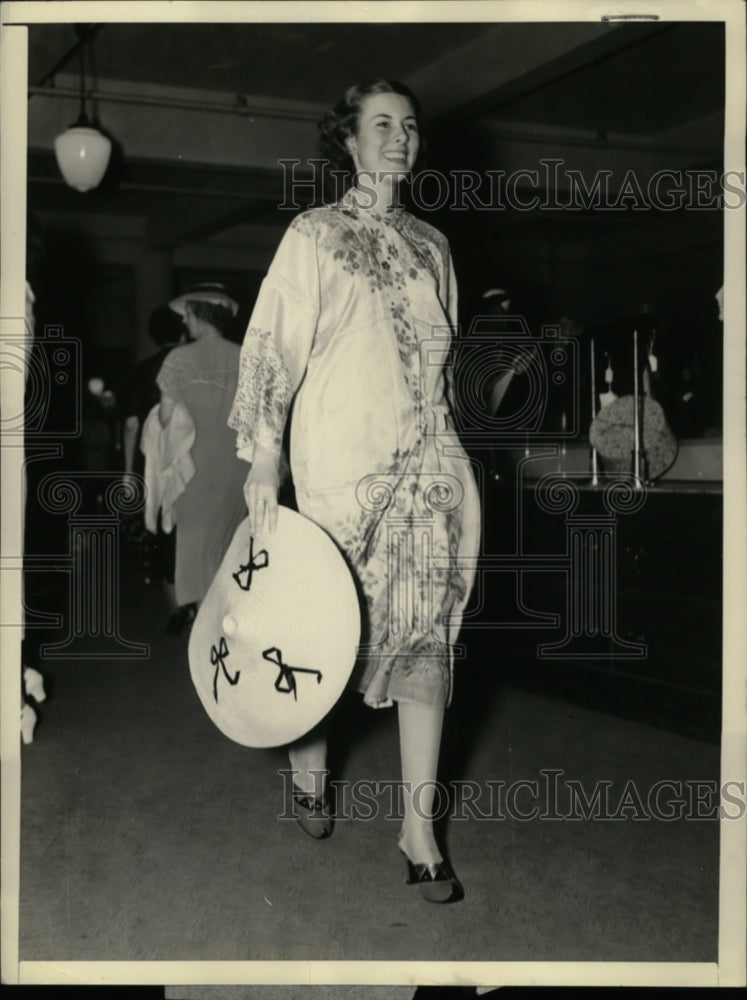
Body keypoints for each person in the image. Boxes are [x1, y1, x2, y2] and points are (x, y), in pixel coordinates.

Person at [228, 80, 480, 903]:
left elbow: (441, 361)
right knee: (329, 635)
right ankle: (308, 768)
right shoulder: (315, 233)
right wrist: (264, 454)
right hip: (340, 462)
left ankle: (419, 831)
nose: (398, 137)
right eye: (381, 124)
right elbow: (274, 343)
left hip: (428, 465)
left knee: (426, 638)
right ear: (348, 141)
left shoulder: (434, 245)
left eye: (409, 124)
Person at [155, 283, 247, 614]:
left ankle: (208, 639)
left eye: (188, 315)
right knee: (233, 555)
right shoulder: (247, 356)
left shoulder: (179, 358)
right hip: (240, 472)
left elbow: (167, 417)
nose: (184, 323)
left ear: (199, 315)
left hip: (195, 471)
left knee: (197, 559)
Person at [122, 305, 186, 629]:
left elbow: (132, 425)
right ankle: (200, 604)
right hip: (191, 459)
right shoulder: (193, 365)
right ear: (184, 330)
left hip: (154, 464)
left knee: (162, 531)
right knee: (192, 530)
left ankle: (176, 608)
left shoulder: (142, 371)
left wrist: (128, 472)